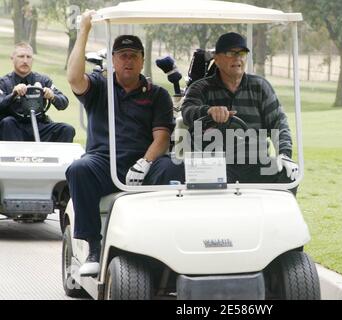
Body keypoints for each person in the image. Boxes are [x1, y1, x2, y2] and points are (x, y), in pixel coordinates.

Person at [66, 11, 183, 276]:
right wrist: (83, 30)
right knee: (78, 169)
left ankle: (168, 241)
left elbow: (162, 136)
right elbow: (74, 78)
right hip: (104, 161)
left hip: (143, 162)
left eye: (133, 56)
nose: (128, 61)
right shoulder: (99, 86)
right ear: (113, 60)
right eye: (122, 56)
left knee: (175, 168)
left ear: (142, 60)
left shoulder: (157, 94)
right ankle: (94, 248)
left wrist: (146, 162)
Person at [181, 32, 299, 193]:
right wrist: (209, 110)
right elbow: (187, 111)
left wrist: (284, 154)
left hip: (256, 163)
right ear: (217, 58)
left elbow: (279, 123)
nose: (238, 58)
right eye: (231, 53)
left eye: (242, 53)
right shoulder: (201, 88)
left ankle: (277, 218)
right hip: (215, 163)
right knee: (199, 175)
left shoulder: (260, 87)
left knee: (289, 173)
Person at [0, 42, 75, 142]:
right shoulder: (4, 82)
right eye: (21, 56)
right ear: (12, 58)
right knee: (7, 122)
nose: (25, 61)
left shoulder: (43, 80)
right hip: (13, 127)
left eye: (29, 57)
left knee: (67, 129)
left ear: (32, 60)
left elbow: (63, 103)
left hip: (39, 125)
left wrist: (52, 96)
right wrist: (13, 94)